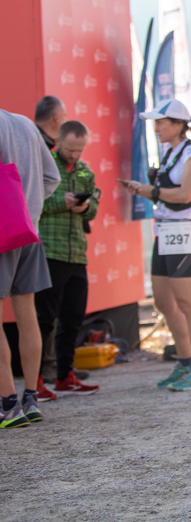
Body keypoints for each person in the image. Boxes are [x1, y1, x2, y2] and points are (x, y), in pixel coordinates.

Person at [123, 100, 191, 392]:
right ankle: (184, 362)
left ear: (178, 124)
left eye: (161, 122)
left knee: (187, 302)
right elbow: (166, 194)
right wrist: (147, 191)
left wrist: (152, 190)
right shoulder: (169, 151)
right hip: (164, 230)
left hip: (182, 231)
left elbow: (185, 195)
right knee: (162, 302)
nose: (156, 128)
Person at [0, 108, 59, 428]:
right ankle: (30, 398)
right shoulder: (24, 123)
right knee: (27, 317)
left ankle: (8, 404)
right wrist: (28, 207)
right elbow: (52, 178)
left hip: (2, 234)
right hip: (29, 231)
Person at [35, 121, 101, 399]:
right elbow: (30, 202)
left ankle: (64, 375)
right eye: (70, 149)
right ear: (59, 141)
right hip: (49, 251)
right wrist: (60, 202)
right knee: (43, 320)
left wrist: (85, 206)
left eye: (79, 150)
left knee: (73, 318)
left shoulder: (85, 171)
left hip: (77, 253)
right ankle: (35, 381)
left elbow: (93, 209)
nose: (74, 154)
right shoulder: (44, 164)